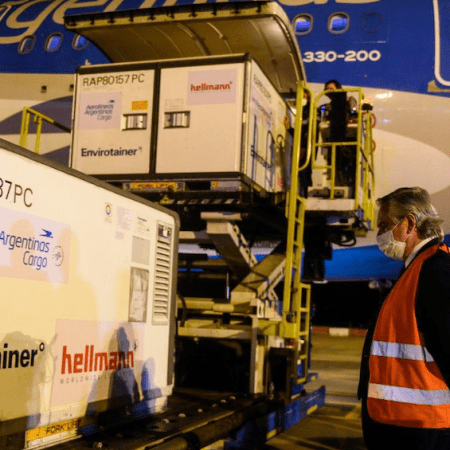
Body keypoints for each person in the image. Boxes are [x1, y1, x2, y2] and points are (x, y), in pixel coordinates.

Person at [358, 187, 450, 450]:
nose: (379, 234)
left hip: (420, 431)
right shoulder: (417, 269)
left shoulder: (436, 270)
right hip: (402, 426)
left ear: (409, 223)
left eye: (384, 225)